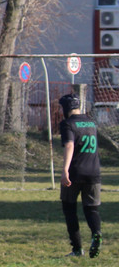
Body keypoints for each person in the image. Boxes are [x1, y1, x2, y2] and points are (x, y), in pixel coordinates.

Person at [58, 93, 102, 258]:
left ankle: (77, 249)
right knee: (91, 209)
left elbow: (69, 145)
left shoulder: (68, 124)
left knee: (69, 208)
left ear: (66, 108)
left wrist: (65, 170)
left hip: (75, 172)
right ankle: (96, 233)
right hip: (94, 172)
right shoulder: (91, 122)